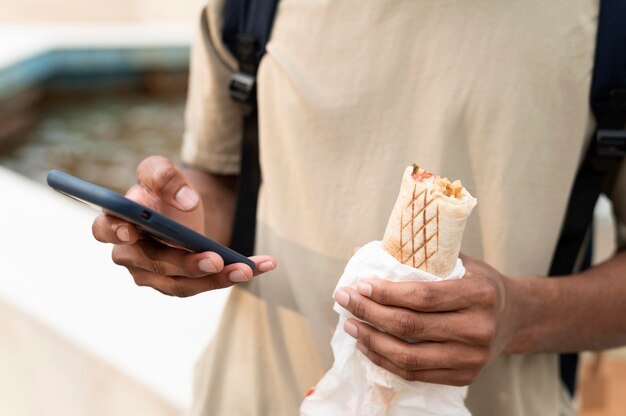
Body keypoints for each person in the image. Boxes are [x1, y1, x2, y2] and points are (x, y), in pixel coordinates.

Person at [92, 0, 626, 415]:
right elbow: (231, 181)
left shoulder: (611, 21)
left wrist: (520, 314)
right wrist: (184, 223)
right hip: (252, 399)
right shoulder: (246, 7)